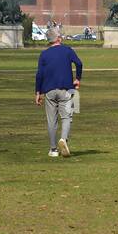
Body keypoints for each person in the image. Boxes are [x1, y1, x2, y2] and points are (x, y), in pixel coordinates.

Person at [34, 24, 82, 157]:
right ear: (58, 38)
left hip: (49, 90)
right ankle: (63, 139)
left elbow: (39, 75)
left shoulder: (44, 55)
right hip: (66, 89)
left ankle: (53, 149)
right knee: (67, 117)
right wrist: (77, 78)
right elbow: (79, 63)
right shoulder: (67, 50)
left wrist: (38, 92)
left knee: (52, 120)